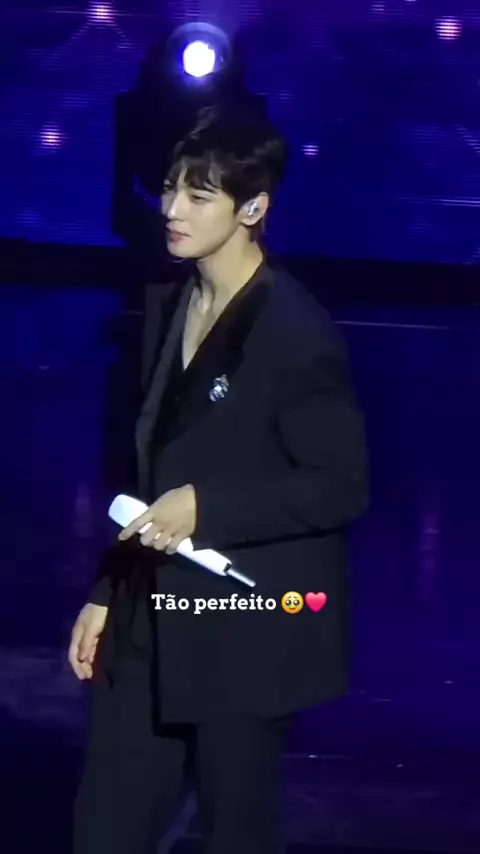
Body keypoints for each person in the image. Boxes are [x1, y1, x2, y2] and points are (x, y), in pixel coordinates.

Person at [69, 103, 369, 854]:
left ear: (253, 209)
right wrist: (107, 592)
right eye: (171, 188)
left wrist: (207, 506)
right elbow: (144, 468)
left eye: (199, 195)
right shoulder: (170, 303)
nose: (171, 209)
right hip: (148, 619)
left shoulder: (294, 333)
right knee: (105, 827)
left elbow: (340, 485)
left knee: (235, 833)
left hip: (245, 630)